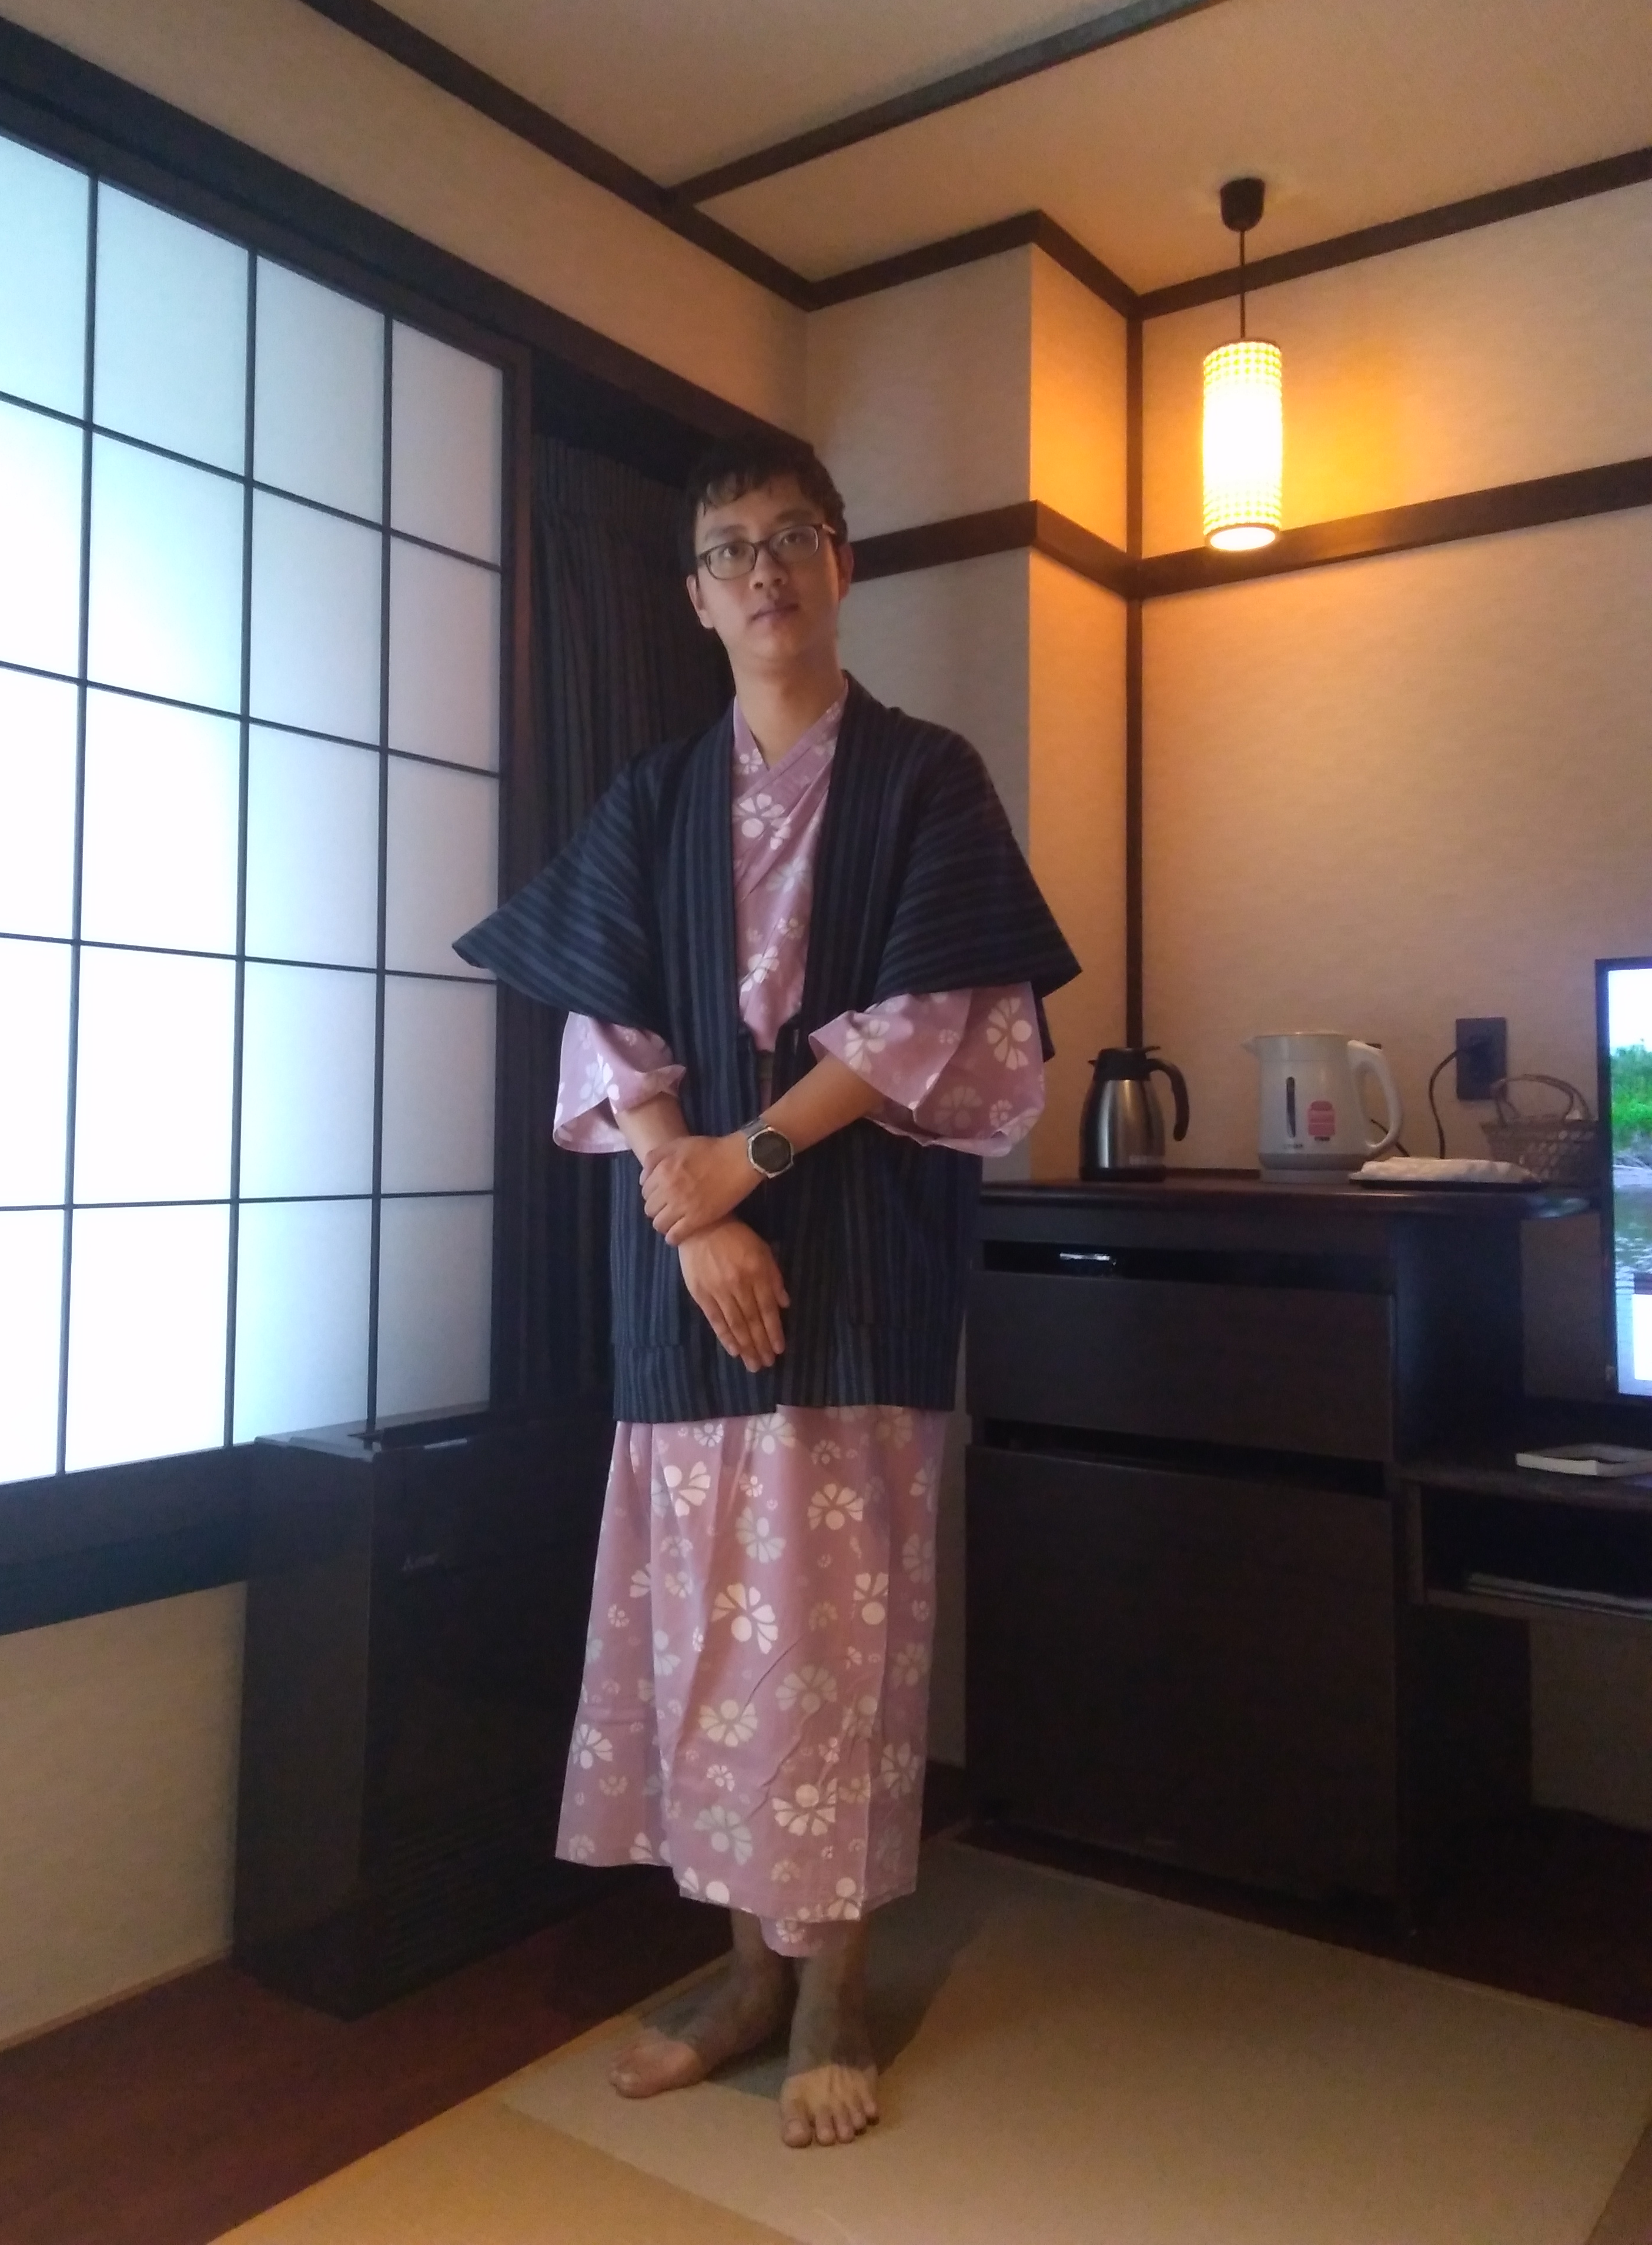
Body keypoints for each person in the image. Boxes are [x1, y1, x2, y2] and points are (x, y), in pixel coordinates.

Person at [455, 436, 1078, 2147]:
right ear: (697, 596)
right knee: (709, 1636)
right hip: (685, 1284)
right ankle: (740, 1976)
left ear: (841, 563)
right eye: (732, 549)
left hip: (862, 1269)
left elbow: (940, 1022)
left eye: (793, 538)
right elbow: (606, 1026)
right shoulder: (654, 795)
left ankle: (831, 1995)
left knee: (837, 1648)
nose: (766, 570)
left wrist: (755, 1161)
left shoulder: (928, 777)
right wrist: (692, 1205)